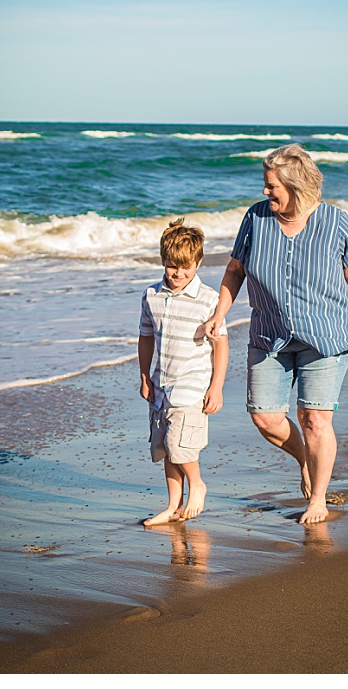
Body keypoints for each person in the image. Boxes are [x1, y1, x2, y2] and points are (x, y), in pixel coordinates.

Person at [197, 144, 348, 526]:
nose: (265, 192)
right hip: (269, 335)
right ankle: (307, 457)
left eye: (271, 185)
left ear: (295, 185)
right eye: (265, 184)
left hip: (326, 336)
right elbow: (235, 270)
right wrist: (219, 314)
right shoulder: (256, 218)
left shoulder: (334, 221)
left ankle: (318, 498)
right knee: (265, 418)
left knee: (314, 419)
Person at [138, 220, 228, 525]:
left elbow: (221, 345)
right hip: (161, 385)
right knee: (165, 448)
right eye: (171, 266)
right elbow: (146, 337)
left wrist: (216, 387)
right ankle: (172, 506)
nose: (178, 273)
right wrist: (144, 376)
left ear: (198, 263)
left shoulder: (209, 299)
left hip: (192, 385)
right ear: (162, 261)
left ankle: (197, 485)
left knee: (180, 446)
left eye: (185, 267)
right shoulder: (151, 295)